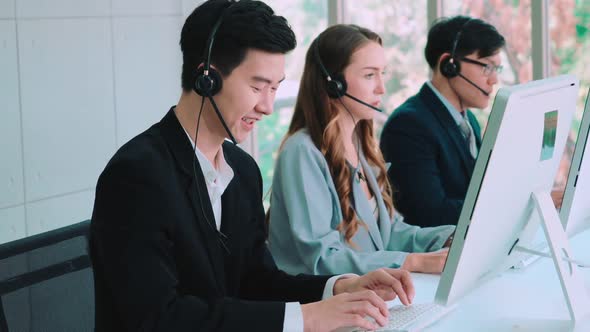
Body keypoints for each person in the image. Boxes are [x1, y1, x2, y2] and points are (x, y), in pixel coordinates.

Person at [90, 1, 416, 331]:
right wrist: (309, 318)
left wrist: (337, 288)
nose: (268, 107)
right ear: (207, 79)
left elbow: (255, 282)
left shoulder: (242, 171)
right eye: (257, 87)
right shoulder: (136, 175)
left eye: (275, 88)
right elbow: (160, 317)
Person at [267, 24, 455, 277]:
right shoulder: (302, 152)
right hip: (325, 306)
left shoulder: (361, 146)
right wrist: (413, 263)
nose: (381, 88)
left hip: (370, 297)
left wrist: (450, 237)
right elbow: (322, 259)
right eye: (369, 75)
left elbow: (389, 234)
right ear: (334, 84)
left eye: (382, 74)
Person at [379, 16, 505, 228]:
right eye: (486, 67)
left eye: (496, 70)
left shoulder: (469, 121)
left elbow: (474, 193)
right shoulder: (408, 126)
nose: (494, 80)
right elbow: (429, 214)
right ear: (449, 65)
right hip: (436, 255)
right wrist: (505, 205)